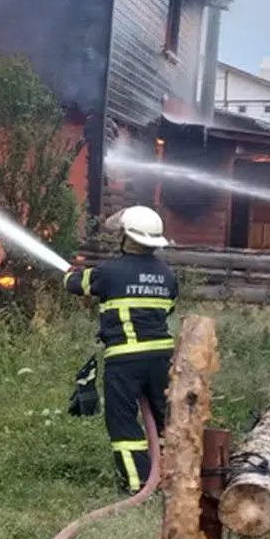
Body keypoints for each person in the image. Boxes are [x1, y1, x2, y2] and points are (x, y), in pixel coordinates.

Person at [63, 206, 177, 493]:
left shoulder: (110, 271)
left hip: (125, 358)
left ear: (126, 237)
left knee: (123, 423)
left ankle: (137, 485)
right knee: (164, 420)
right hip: (163, 357)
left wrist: (70, 272)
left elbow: (74, 284)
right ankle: (170, 479)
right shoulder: (167, 274)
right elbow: (169, 308)